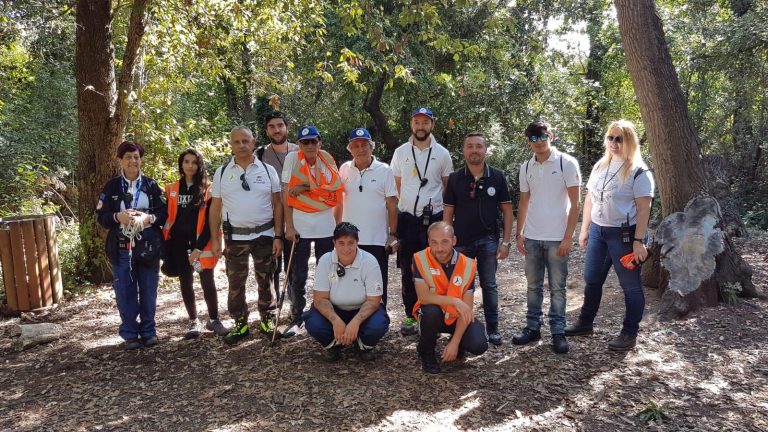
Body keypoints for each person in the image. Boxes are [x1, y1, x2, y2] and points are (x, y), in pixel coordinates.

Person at [565, 120, 654, 352]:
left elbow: (644, 209)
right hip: (598, 231)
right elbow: (590, 200)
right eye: (610, 138)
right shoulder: (600, 166)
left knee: (630, 286)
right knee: (592, 279)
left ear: (630, 142)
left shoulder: (639, 172)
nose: (614, 143)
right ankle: (585, 323)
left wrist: (638, 241)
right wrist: (584, 229)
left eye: (619, 139)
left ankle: (629, 333)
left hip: (625, 236)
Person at [209, 127, 283, 345]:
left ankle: (267, 320)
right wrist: (215, 239)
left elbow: (278, 204)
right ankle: (240, 323)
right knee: (235, 282)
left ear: (253, 142)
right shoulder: (222, 172)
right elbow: (215, 208)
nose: (241, 145)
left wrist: (279, 236)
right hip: (235, 238)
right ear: (231, 144)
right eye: (237, 142)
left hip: (264, 235)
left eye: (245, 141)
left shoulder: (268, 170)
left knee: (266, 278)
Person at [514, 121, 581, 354]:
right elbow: (524, 201)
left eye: (542, 137)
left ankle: (558, 331)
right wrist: (519, 233)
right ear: (528, 142)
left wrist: (567, 237)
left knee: (558, 287)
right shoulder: (526, 167)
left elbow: (575, 204)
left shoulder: (566, 163)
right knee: (533, 286)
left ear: (550, 136)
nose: (538, 143)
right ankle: (532, 327)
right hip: (532, 236)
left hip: (556, 238)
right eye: (533, 139)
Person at [443, 133, 514, 346]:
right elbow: (448, 212)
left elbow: (508, 212)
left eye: (479, 146)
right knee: (460, 285)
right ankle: (459, 325)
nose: (474, 150)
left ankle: (492, 328)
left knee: (489, 284)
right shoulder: (455, 178)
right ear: (463, 150)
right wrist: (448, 238)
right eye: (470, 146)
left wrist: (506, 242)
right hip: (461, 241)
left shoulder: (498, 176)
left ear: (485, 150)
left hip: (488, 240)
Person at [96, 141, 167, 350]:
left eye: (136, 157)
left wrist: (148, 218)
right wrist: (118, 216)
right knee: (125, 289)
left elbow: (164, 213)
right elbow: (102, 217)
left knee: (148, 287)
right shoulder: (111, 187)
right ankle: (129, 333)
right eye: (128, 157)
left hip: (148, 246)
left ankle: (148, 331)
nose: (133, 161)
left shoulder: (151, 186)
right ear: (120, 160)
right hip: (121, 246)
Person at [390, 107, 453, 336]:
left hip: (433, 220)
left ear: (432, 125)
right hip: (408, 220)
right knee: (408, 269)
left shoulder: (443, 154)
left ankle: (434, 314)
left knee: (435, 267)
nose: (420, 126)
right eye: (417, 122)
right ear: (411, 124)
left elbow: (447, 188)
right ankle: (410, 315)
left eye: (425, 122)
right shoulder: (400, 152)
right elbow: (397, 184)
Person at [282, 125, 344, 335]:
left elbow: (335, 185)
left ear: (319, 142)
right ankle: (297, 316)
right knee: (298, 275)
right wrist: (288, 226)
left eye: (313, 141)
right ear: (298, 144)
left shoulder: (326, 157)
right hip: (300, 225)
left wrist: (305, 187)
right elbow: (286, 193)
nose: (310, 146)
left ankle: (323, 313)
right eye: (305, 142)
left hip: (325, 225)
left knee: (326, 272)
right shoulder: (292, 159)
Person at [161, 149, 227, 339]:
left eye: (194, 162)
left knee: (208, 281)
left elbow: (211, 221)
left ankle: (214, 319)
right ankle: (193, 321)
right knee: (186, 282)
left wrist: (198, 247)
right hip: (178, 243)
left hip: (201, 242)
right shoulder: (172, 188)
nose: (190, 166)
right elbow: (168, 216)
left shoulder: (208, 189)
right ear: (181, 164)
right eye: (186, 162)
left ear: (199, 165)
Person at [303, 222, 390, 361]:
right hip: (335, 309)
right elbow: (320, 299)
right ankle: (334, 345)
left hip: (362, 310)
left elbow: (374, 301)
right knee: (313, 322)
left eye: (351, 243)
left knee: (379, 324)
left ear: (357, 242)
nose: (346, 248)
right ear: (334, 243)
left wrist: (355, 322)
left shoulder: (369, 261)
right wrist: (335, 320)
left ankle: (363, 345)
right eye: (341, 243)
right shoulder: (325, 260)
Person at [413, 222, 488, 374]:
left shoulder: (468, 264)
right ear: (429, 242)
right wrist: (454, 300)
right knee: (430, 311)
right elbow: (424, 297)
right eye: (434, 242)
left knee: (479, 344)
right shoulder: (419, 258)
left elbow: (467, 309)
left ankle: (457, 342)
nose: (439, 248)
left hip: (456, 316)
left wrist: (455, 341)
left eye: (445, 242)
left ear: (454, 241)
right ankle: (426, 352)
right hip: (433, 315)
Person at [335, 128, 398, 305]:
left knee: (376, 283)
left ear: (372, 147)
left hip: (377, 239)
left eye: (364, 145)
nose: (361, 149)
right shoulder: (344, 169)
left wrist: (392, 234)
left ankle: (378, 322)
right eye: (356, 146)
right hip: (349, 240)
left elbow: (392, 205)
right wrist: (337, 231)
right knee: (350, 282)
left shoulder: (385, 170)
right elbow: (339, 202)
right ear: (350, 148)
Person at [258, 111, 299, 302]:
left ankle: (293, 303)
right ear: (267, 131)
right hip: (270, 219)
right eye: (272, 126)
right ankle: (273, 305)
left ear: (286, 127)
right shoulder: (259, 155)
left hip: (295, 219)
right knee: (271, 266)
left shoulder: (300, 151)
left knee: (293, 267)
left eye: (280, 125)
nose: (277, 130)